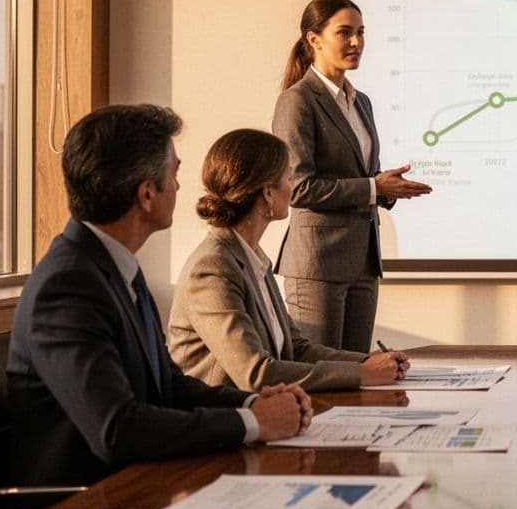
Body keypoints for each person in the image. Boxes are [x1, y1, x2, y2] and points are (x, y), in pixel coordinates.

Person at [7, 105, 311, 487]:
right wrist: (253, 423)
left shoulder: (113, 267)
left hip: (136, 487)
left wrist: (253, 404)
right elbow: (117, 429)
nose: (181, 186)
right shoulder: (67, 287)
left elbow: (167, 385)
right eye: (175, 173)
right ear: (147, 194)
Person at [166, 129, 411, 392]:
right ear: (267, 194)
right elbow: (256, 373)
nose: (292, 186)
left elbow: (296, 349)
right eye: (287, 177)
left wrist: (368, 361)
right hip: (225, 422)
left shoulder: (253, 258)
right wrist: (361, 374)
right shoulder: (212, 268)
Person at [273, 0, 432, 353]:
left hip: (363, 262)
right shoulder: (297, 101)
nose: (356, 42)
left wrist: (389, 188)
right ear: (314, 40)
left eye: (361, 32)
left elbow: (364, 176)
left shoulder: (361, 102)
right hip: (318, 264)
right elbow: (298, 187)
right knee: (324, 377)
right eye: (344, 32)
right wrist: (373, 187)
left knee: (360, 376)